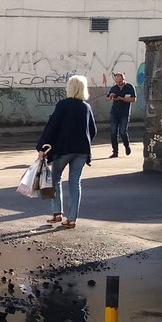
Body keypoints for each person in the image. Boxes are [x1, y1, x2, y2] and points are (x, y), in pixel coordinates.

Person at [35, 74, 97, 229]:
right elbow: (93, 130)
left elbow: (52, 127)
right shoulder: (86, 107)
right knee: (75, 183)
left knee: (55, 179)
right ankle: (72, 219)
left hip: (63, 149)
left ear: (70, 88)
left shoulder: (63, 105)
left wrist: (42, 147)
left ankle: (57, 213)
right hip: (82, 151)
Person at [106, 71, 135, 157]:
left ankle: (126, 146)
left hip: (124, 113)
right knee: (113, 132)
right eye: (117, 81)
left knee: (123, 132)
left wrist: (121, 99)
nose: (119, 83)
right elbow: (107, 99)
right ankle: (115, 152)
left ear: (123, 79)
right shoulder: (114, 88)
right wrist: (111, 96)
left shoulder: (129, 87)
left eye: (120, 81)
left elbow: (133, 99)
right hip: (114, 113)